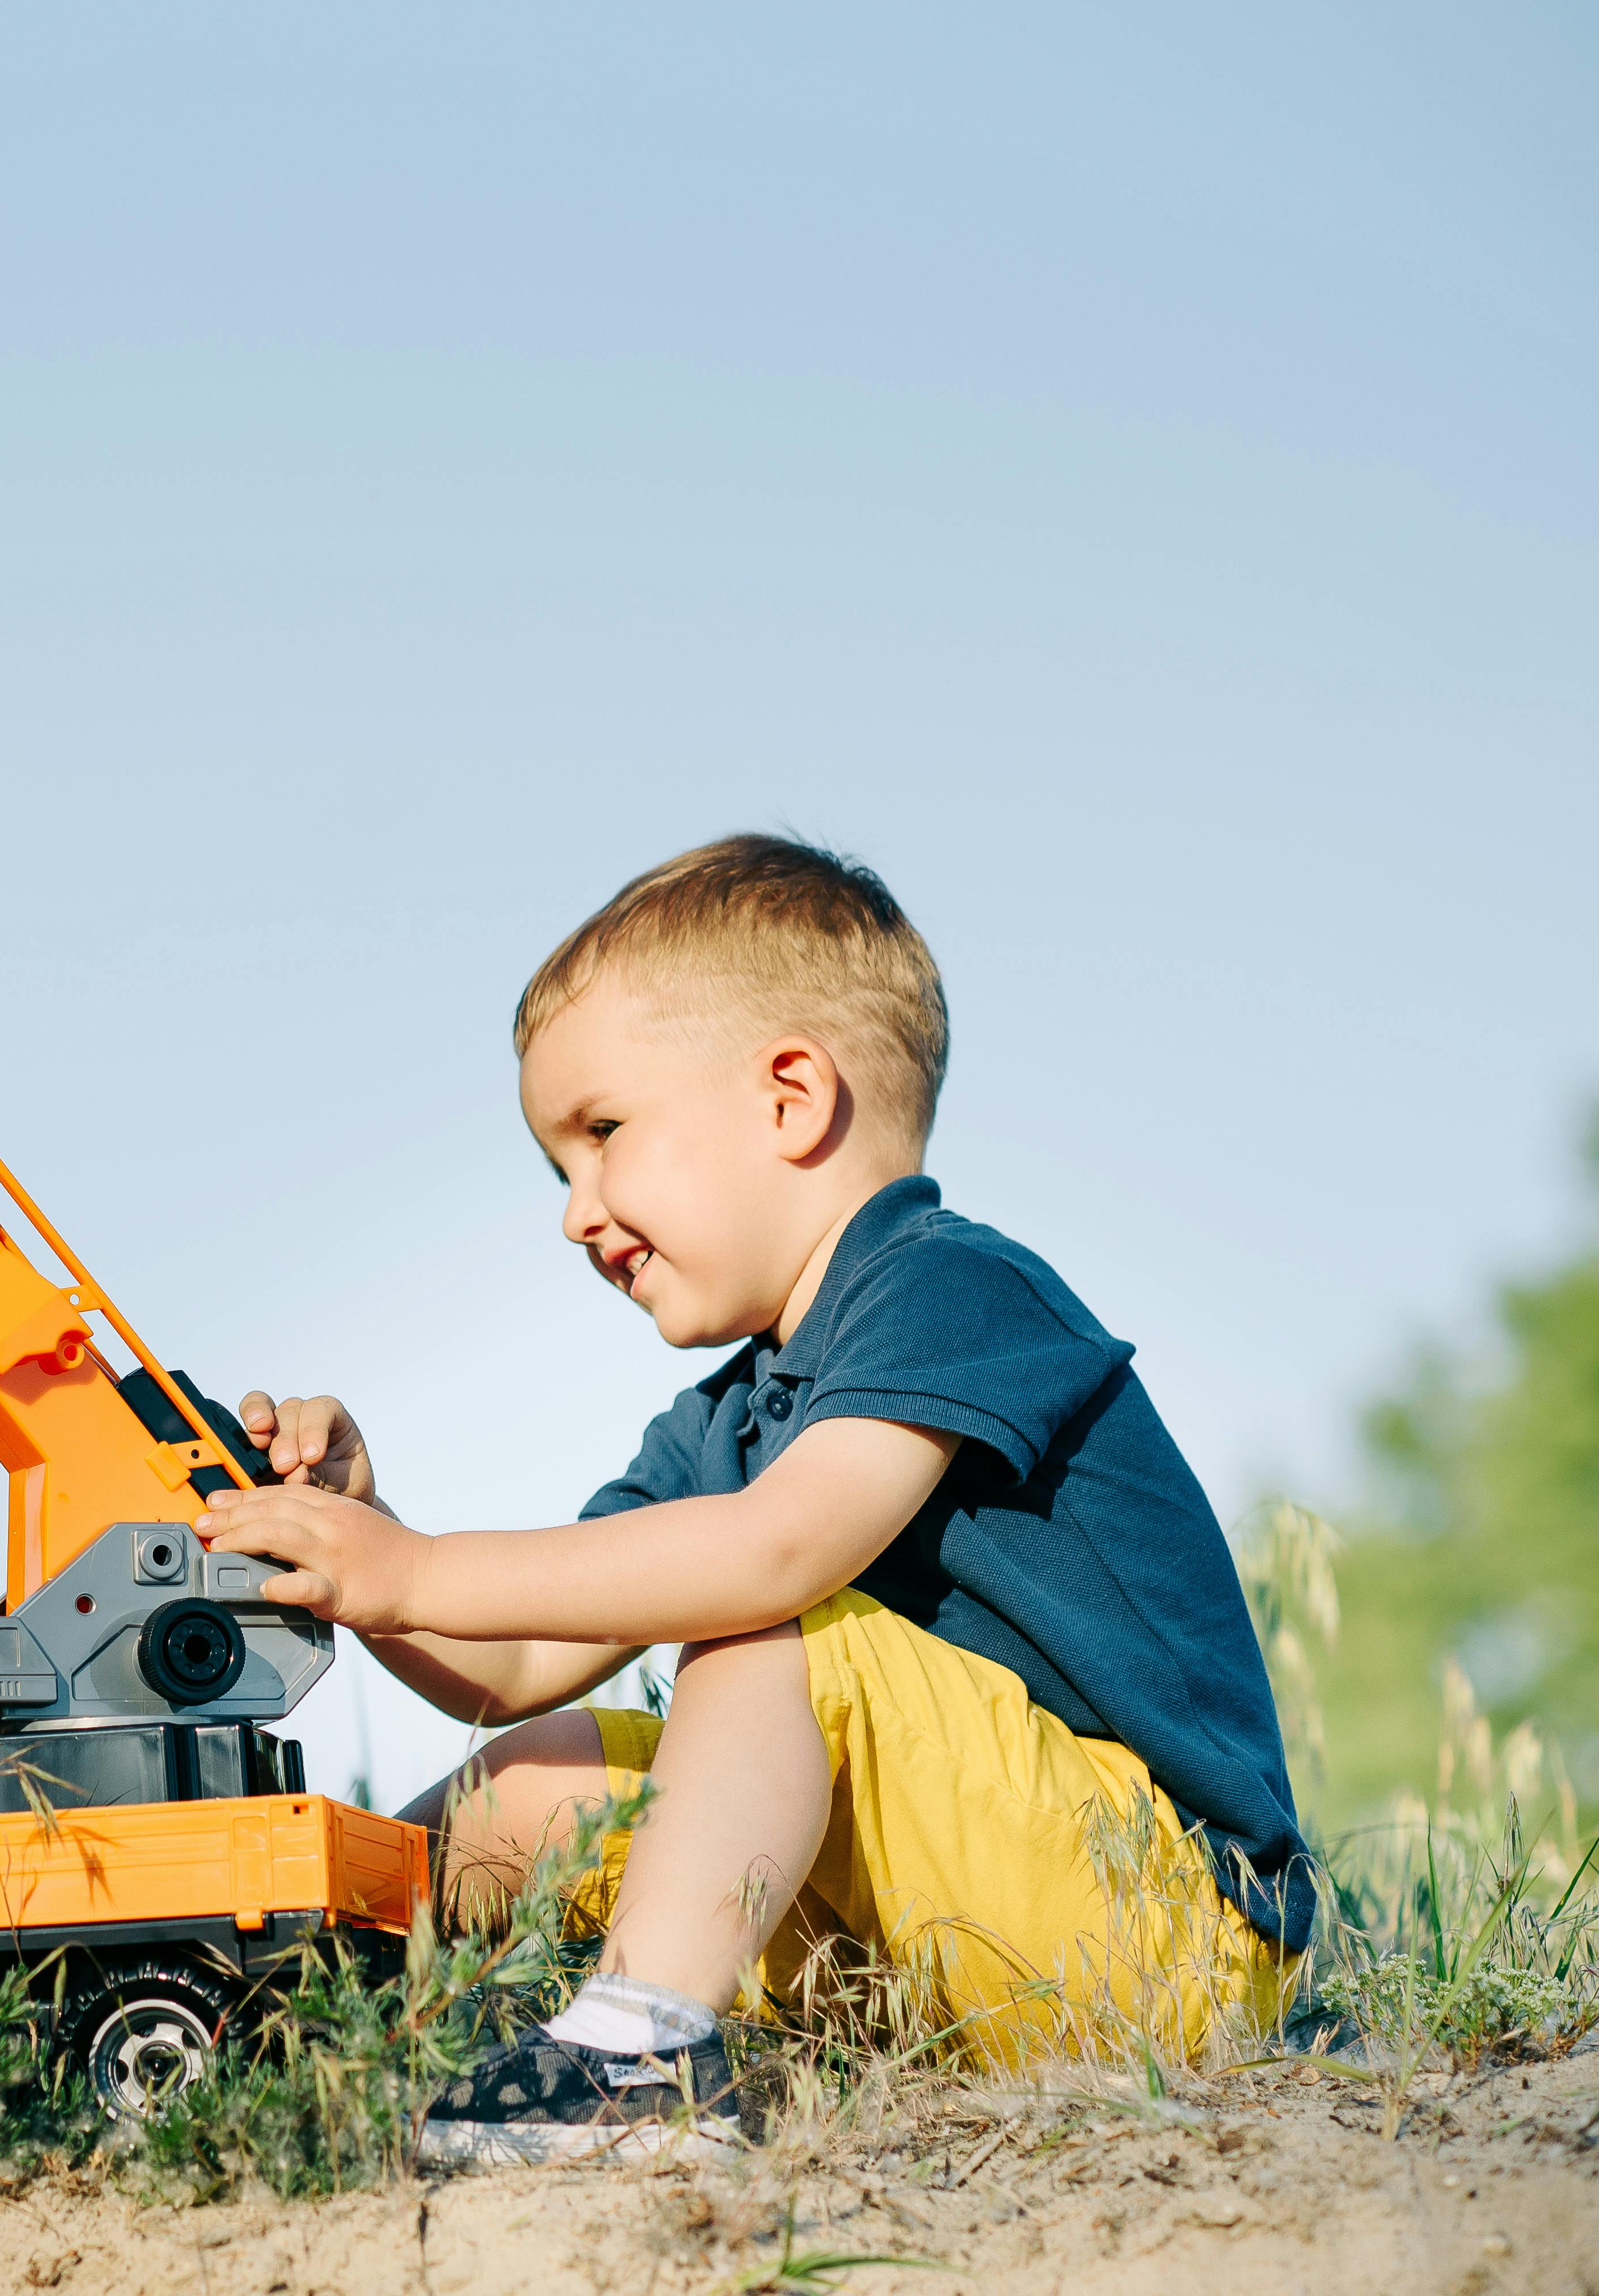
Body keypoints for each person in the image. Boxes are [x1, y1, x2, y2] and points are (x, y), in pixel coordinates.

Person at [198, 834, 1311, 2166]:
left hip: (1157, 1936)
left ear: (789, 1097)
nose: (574, 1213)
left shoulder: (945, 1284)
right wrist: (355, 1551)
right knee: (532, 1778)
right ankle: (288, 2007)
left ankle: (642, 2056)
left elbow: (779, 1551)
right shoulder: (731, 1416)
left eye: (601, 1135)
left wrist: (415, 1567)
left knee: (763, 1619)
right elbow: (520, 1661)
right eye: (558, 1171)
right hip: (928, 1953)